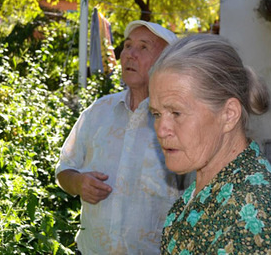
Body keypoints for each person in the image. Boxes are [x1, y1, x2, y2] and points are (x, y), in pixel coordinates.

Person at [148, 34, 271, 254]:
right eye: (156, 113)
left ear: (229, 115)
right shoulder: (211, 181)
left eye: (176, 112)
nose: (161, 129)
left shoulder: (255, 214)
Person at [56, 21, 190, 254]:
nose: (129, 54)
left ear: (166, 62)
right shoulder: (98, 112)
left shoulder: (181, 123)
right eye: (127, 46)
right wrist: (78, 183)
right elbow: (64, 170)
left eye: (143, 47)